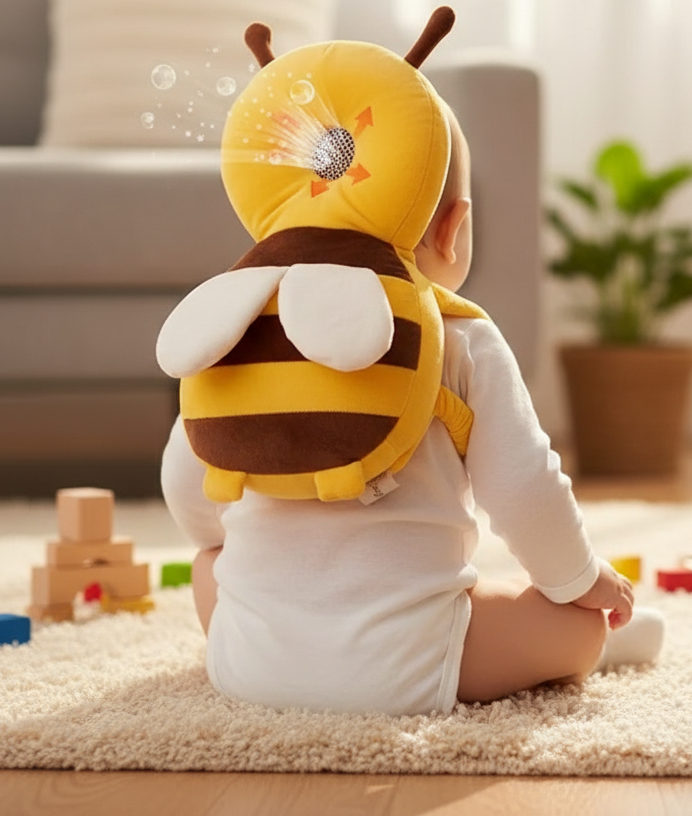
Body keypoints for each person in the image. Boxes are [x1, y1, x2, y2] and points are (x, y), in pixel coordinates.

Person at [161, 105, 664, 716]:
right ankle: (602, 639)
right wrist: (580, 580)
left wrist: (242, 551)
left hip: (249, 665)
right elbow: (524, 486)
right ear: (453, 227)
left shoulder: (238, 329)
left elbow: (187, 480)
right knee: (574, 622)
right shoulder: (459, 337)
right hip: (414, 661)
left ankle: (275, 649)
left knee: (209, 561)